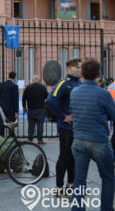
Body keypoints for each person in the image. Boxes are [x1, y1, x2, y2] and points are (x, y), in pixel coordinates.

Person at [70, 58, 115, 210]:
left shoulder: (74, 92)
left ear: (81, 73)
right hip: (99, 141)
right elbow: (113, 114)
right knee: (108, 177)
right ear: (99, 74)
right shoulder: (103, 94)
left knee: (79, 180)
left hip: (78, 140)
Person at [46, 58, 82, 198]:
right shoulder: (63, 83)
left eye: (80, 66)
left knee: (72, 157)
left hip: (76, 128)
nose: (79, 69)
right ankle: (59, 188)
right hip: (66, 128)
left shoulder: (78, 83)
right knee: (64, 157)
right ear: (69, 69)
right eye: (77, 67)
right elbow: (51, 100)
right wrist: (63, 117)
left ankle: (71, 185)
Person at [22, 75, 48, 144]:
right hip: (40, 109)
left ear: (32, 80)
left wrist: (24, 107)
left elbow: (24, 98)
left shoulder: (28, 88)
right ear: (39, 80)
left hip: (31, 109)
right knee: (40, 125)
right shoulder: (42, 87)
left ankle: (30, 139)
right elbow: (47, 97)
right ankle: (40, 140)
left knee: (31, 125)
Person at [0, 71, 19, 136]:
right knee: (11, 124)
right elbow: (15, 99)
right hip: (11, 108)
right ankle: (11, 138)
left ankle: (1, 137)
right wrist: (16, 111)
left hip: (2, 107)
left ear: (8, 76)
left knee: (2, 124)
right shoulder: (14, 86)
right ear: (14, 77)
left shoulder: (1, 84)